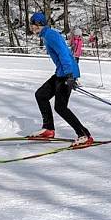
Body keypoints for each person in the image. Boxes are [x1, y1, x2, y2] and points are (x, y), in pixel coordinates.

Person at [28, 12, 93, 147]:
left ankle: (84, 135)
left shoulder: (51, 35)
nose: (31, 27)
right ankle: (48, 129)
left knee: (61, 107)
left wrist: (69, 75)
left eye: (32, 24)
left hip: (66, 73)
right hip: (61, 72)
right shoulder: (47, 35)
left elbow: (64, 54)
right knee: (41, 95)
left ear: (39, 24)